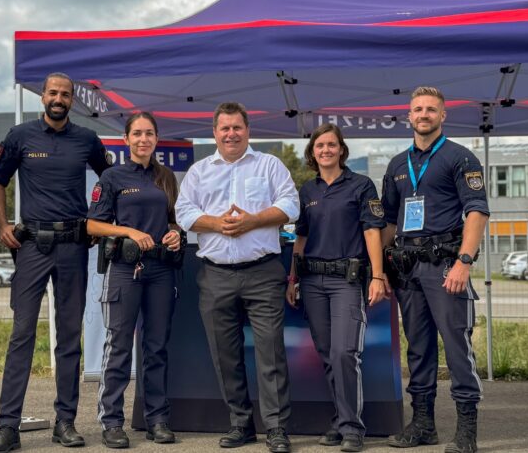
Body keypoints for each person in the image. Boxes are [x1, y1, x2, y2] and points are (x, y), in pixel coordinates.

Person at [0, 72, 112, 452]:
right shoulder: (20, 136)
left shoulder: (87, 139)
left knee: (69, 338)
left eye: (66, 94)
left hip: (73, 246)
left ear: (73, 100)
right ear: (43, 96)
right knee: (21, 334)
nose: (59, 98)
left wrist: (97, 221)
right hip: (32, 247)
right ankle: (8, 427)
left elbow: (111, 180)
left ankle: (66, 422)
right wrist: (4, 224)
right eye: (53, 92)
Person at [175, 102, 299, 453]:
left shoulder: (269, 165)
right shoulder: (199, 172)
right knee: (224, 354)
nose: (231, 133)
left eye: (237, 127)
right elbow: (183, 212)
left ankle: (276, 428)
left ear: (248, 130)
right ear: (214, 132)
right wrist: (218, 223)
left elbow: (291, 205)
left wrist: (253, 221)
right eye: (224, 128)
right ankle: (240, 424)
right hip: (215, 275)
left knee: (271, 353)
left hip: (262, 273)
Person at [381, 86, 489, 453]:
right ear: (408, 116)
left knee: (457, 347)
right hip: (407, 269)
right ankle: (423, 424)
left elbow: (477, 211)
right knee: (418, 349)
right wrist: (379, 268)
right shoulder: (397, 165)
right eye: (417, 109)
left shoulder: (461, 158)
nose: (423, 114)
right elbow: (390, 225)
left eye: (430, 109)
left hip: (446, 266)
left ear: (443, 116)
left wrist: (464, 261)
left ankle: (466, 432)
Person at [284, 124, 389, 452]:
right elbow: (299, 238)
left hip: (347, 281)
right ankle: (341, 421)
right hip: (312, 281)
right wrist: (292, 278)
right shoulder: (307, 191)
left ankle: (352, 429)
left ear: (341, 150)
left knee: (345, 353)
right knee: (328, 355)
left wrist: (377, 276)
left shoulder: (361, 185)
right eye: (320, 146)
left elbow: (373, 232)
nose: (325, 150)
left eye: (331, 145)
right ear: (312, 153)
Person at [87, 112, 182, 449]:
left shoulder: (166, 177)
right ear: (126, 139)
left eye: (150, 134)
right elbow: (93, 226)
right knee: (119, 346)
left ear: (157, 139)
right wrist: (128, 229)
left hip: (160, 270)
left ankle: (157, 420)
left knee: (156, 348)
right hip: (125, 269)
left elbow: (173, 221)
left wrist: (174, 234)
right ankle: (111, 421)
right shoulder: (111, 177)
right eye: (137, 134)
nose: (144, 139)